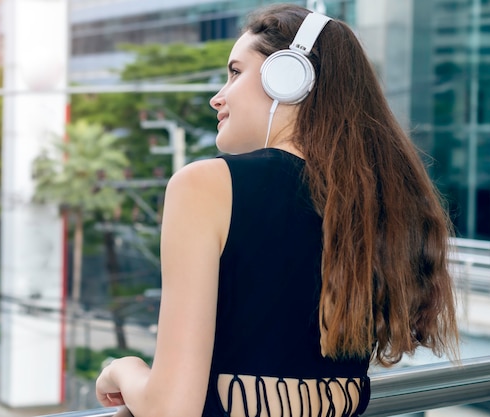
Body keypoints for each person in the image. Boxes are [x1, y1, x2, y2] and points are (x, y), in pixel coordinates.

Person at [95, 4, 460, 417]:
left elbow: (170, 409)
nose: (218, 97)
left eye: (235, 72)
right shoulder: (378, 204)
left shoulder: (205, 186)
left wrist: (122, 370)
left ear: (288, 77)